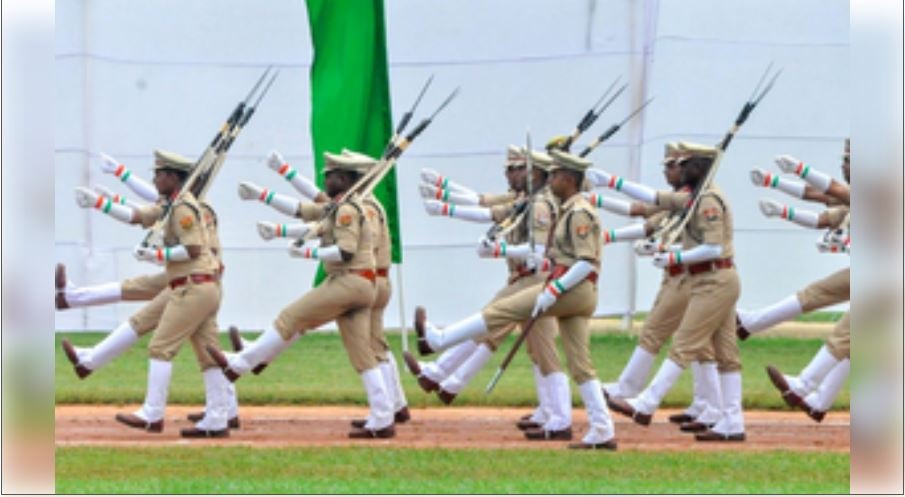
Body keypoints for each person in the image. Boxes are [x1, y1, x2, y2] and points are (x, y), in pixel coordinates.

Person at [414, 149, 617, 450]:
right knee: (580, 365)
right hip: (570, 288)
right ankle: (602, 429)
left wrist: (554, 289)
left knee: (502, 311)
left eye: (555, 175)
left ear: (570, 179)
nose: (550, 180)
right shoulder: (566, 209)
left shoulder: (578, 212)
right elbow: (557, 255)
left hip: (571, 290)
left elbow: (586, 261)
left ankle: (440, 340)